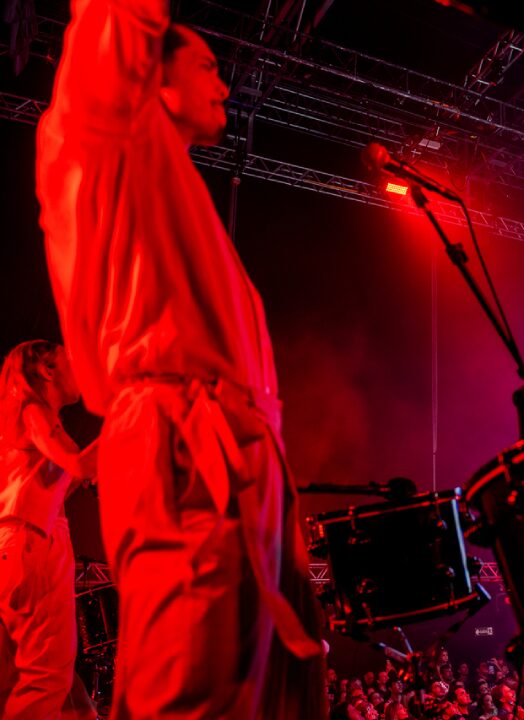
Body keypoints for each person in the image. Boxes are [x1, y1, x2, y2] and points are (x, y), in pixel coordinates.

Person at [36, 4, 326, 717]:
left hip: (227, 463)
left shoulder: (167, 183)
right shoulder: (108, 131)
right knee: (188, 695)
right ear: (145, 74)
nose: (226, 87)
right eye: (206, 66)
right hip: (186, 459)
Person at [0, 341, 96, 719]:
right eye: (70, 359)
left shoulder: (19, 419)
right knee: (46, 681)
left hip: (15, 545)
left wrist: (83, 472)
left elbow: (49, 482)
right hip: (34, 544)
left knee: (59, 691)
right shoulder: (35, 410)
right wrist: (130, 416)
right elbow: (77, 463)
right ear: (46, 370)